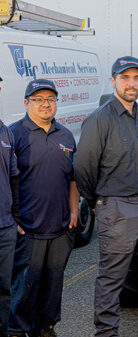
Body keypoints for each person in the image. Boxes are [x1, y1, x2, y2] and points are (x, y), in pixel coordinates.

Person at [73, 56, 138, 337]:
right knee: (113, 278)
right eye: (125, 78)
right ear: (113, 81)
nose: (131, 84)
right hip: (117, 206)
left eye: (136, 78)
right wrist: (99, 201)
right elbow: (83, 167)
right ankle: (106, 333)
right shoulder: (99, 120)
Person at [8, 79, 78, 337]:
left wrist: (73, 213)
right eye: (38, 99)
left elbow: (72, 178)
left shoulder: (66, 135)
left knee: (52, 285)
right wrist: (10, 218)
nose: (45, 104)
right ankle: (16, 329)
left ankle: (46, 327)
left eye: (50, 99)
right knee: (25, 285)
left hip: (60, 228)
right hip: (27, 228)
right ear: (26, 103)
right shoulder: (15, 135)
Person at [0, 118, 19, 337]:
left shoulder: (6, 132)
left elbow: (14, 177)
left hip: (5, 226)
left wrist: (16, 218)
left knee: (4, 290)